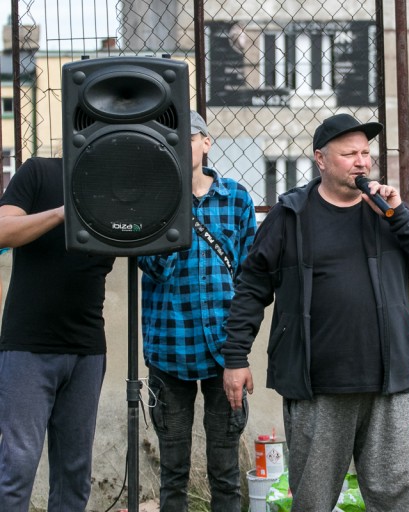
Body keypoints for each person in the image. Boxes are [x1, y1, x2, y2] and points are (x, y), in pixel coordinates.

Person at [221, 113, 409, 512]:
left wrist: (399, 215)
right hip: (318, 386)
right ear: (321, 160)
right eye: (349, 154)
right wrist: (236, 357)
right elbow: (251, 287)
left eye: (365, 153)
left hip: (387, 385)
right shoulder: (290, 216)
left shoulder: (389, 213)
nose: (362, 162)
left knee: (394, 500)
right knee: (313, 500)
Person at [139, 111, 257, 511]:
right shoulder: (153, 199)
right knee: (173, 470)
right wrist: (171, 204)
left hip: (224, 352)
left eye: (188, 138)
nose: (179, 146)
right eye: (171, 140)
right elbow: (154, 266)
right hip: (170, 349)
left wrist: (240, 351)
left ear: (206, 142)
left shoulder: (236, 198)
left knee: (225, 470)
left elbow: (249, 279)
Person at [0, 157, 115, 511]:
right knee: (17, 467)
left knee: (74, 476)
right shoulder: (39, 172)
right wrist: (64, 213)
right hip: (28, 346)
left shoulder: (118, 184)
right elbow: (3, 230)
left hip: (87, 348)